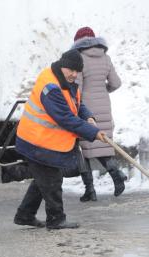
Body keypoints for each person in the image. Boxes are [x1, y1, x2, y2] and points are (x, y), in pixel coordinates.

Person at [14, 49, 106, 229]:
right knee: (52, 179)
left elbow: (76, 105)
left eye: (77, 71)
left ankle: (25, 215)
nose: (74, 74)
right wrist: (93, 133)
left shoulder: (66, 81)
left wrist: (88, 117)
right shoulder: (51, 87)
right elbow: (66, 118)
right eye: (71, 70)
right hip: (36, 141)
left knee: (43, 180)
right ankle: (56, 219)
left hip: (44, 141)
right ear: (62, 65)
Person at [72, 26, 127, 202]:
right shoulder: (105, 57)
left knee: (82, 149)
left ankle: (90, 190)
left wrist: (72, 103)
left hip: (85, 107)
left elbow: (77, 88)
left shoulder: (79, 58)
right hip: (104, 105)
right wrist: (103, 90)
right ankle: (116, 175)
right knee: (103, 145)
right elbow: (116, 83)